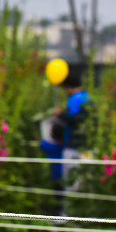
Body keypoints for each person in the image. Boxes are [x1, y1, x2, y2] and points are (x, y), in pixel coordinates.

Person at [38, 65, 90, 213]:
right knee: (84, 184)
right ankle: (82, 215)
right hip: (87, 146)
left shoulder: (74, 100)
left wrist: (59, 115)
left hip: (73, 147)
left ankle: (67, 215)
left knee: (71, 185)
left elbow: (73, 120)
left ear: (68, 87)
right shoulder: (89, 98)